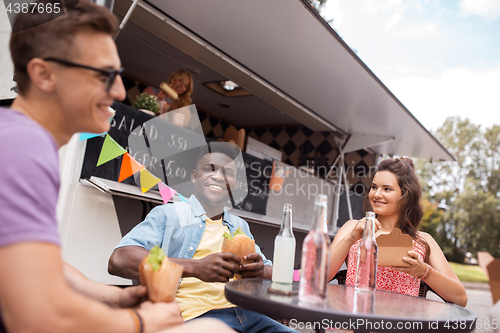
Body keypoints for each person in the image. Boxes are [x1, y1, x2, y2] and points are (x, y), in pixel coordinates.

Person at [0, 1, 232, 333]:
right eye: (104, 75)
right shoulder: (25, 145)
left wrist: (114, 298)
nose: (120, 91)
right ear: (44, 75)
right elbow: (37, 313)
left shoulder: (20, 138)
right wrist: (139, 321)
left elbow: (40, 267)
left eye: (118, 76)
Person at [108, 142, 296, 333]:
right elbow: (119, 260)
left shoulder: (239, 225)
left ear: (235, 185)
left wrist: (259, 271)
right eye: (209, 169)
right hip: (193, 319)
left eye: (228, 173)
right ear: (194, 176)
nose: (218, 176)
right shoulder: (168, 215)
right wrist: (195, 267)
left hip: (250, 316)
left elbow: (275, 274)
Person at [328, 157, 468, 307]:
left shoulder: (423, 241)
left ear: (406, 195)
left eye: (387, 189)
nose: (376, 194)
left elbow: (461, 298)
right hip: (352, 323)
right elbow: (318, 277)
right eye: (374, 187)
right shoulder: (352, 228)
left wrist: (424, 272)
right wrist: (351, 238)